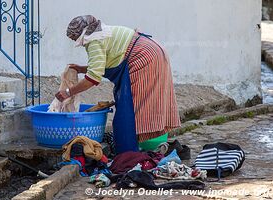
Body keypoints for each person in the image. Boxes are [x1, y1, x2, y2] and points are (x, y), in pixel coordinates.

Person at [55, 15, 181, 154]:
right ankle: (134, 150)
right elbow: (103, 64)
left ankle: (128, 154)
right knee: (131, 106)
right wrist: (81, 68)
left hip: (144, 58)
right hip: (154, 51)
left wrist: (68, 92)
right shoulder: (102, 34)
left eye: (74, 38)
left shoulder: (94, 41)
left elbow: (92, 78)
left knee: (130, 108)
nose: (75, 41)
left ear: (81, 35)